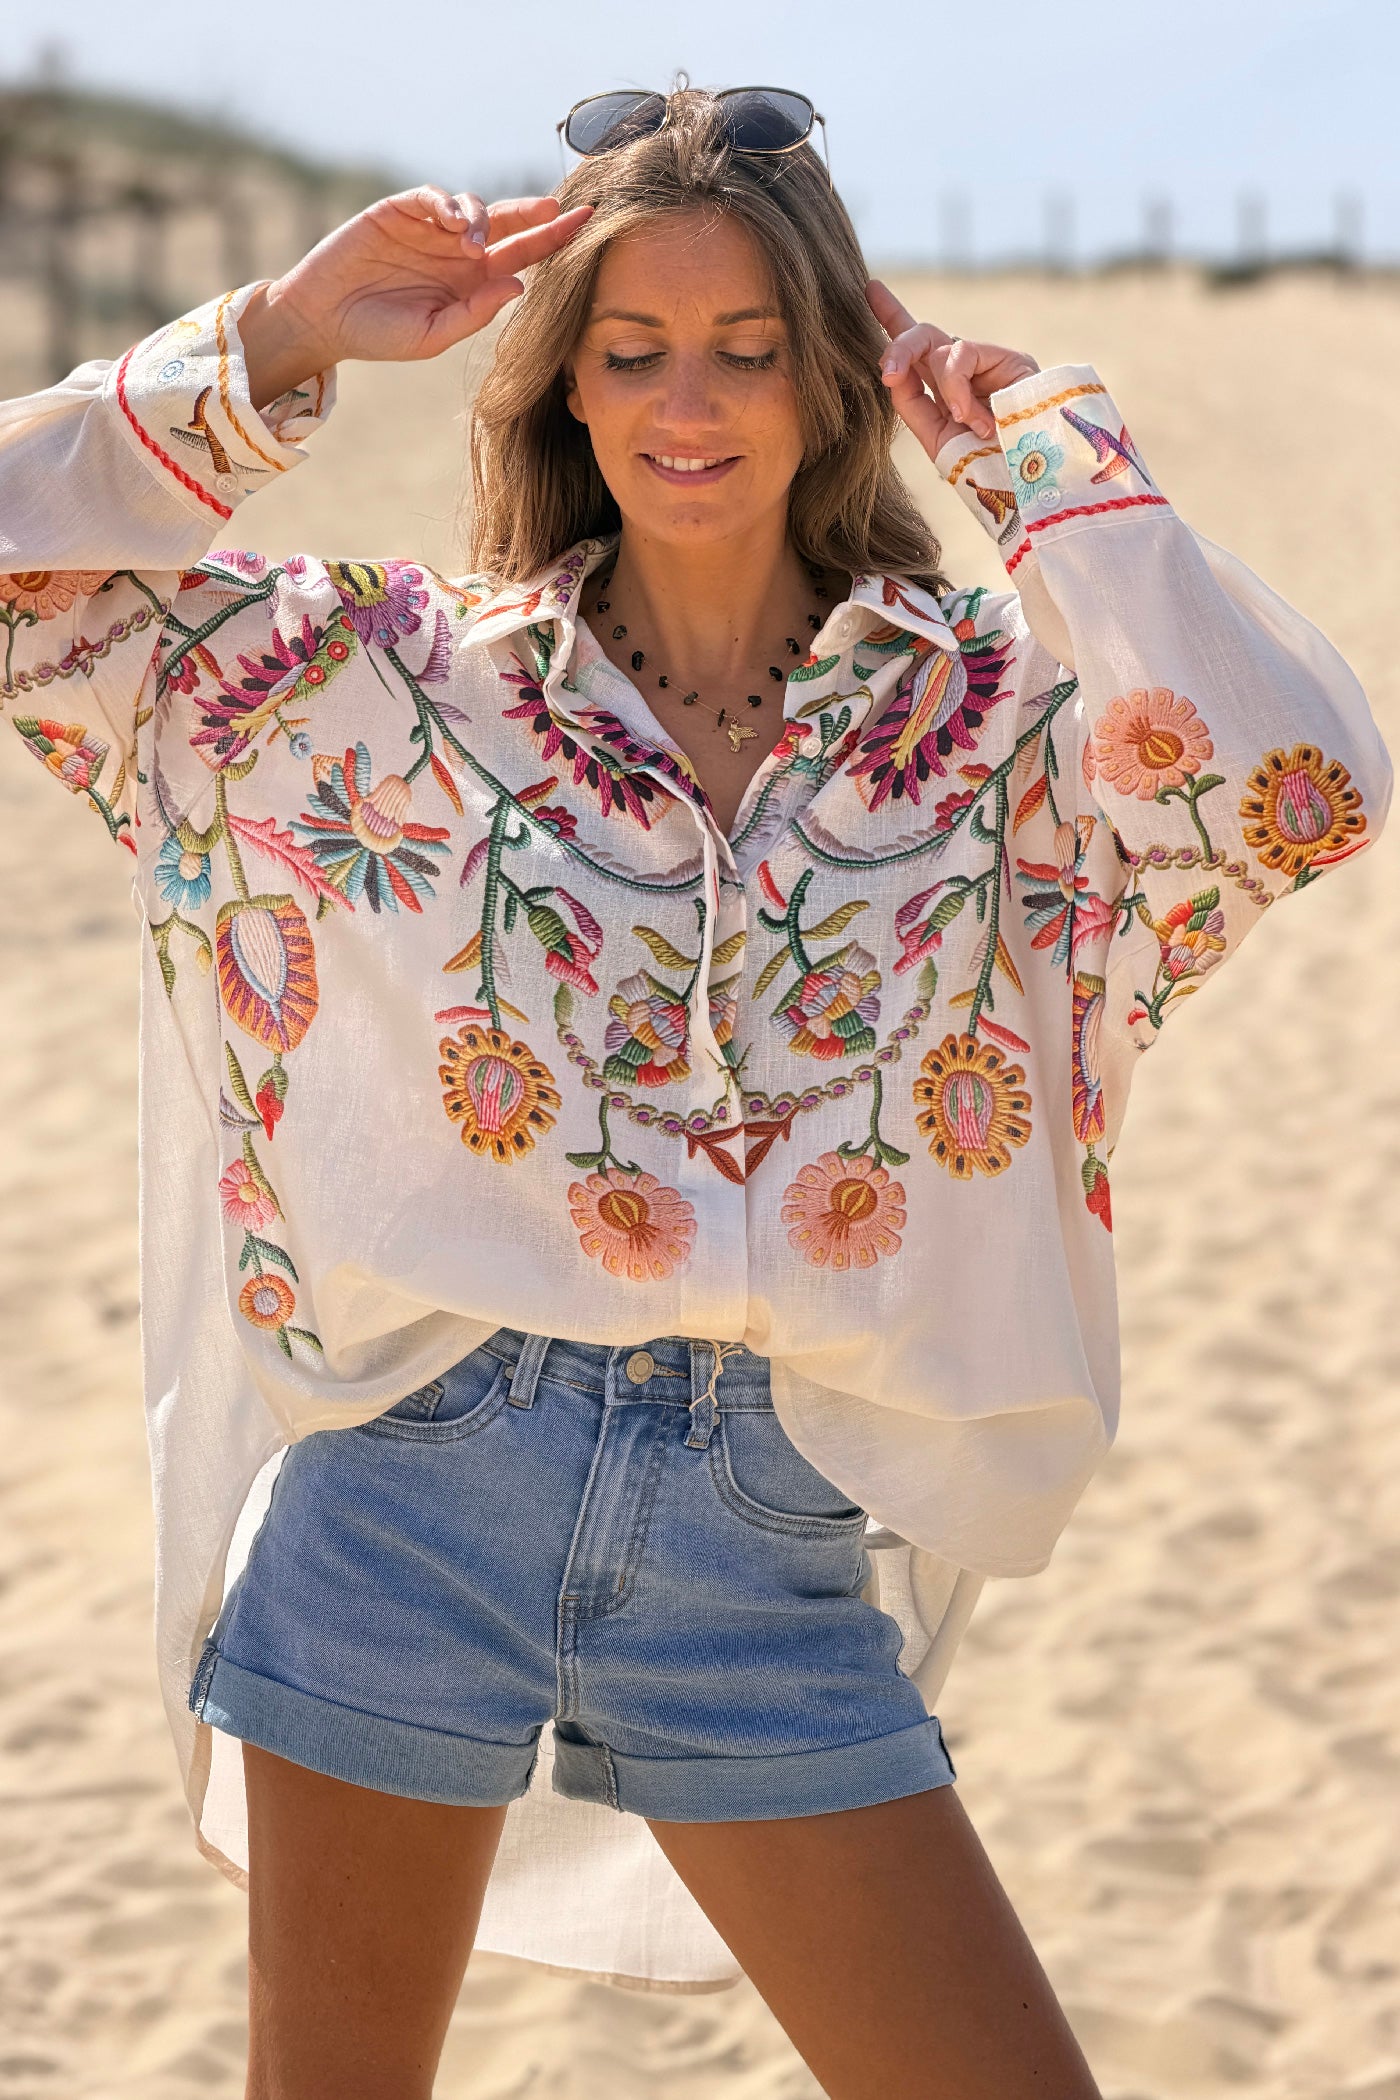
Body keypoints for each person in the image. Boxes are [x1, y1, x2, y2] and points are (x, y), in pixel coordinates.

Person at [1, 82, 1389, 2100]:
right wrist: (283, 340)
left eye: (750, 350)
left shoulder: (992, 727)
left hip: (765, 1534)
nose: (688, 404)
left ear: (833, 377)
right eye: (630, 351)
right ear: (560, 387)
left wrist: (1040, 458)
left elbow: (1298, 787)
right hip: (406, 1493)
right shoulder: (391, 684)